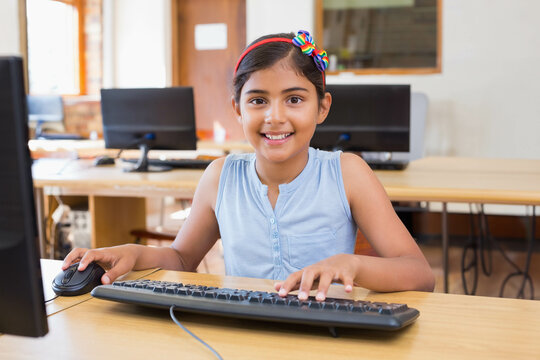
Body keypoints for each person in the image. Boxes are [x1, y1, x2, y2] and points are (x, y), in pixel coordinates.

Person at [63, 30, 435, 301]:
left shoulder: (347, 172)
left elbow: (419, 274)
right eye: (258, 101)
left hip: (326, 333)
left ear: (322, 108)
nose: (275, 117)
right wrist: (134, 253)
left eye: (294, 99)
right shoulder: (221, 176)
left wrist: (352, 265)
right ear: (237, 109)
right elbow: (181, 258)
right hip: (242, 332)